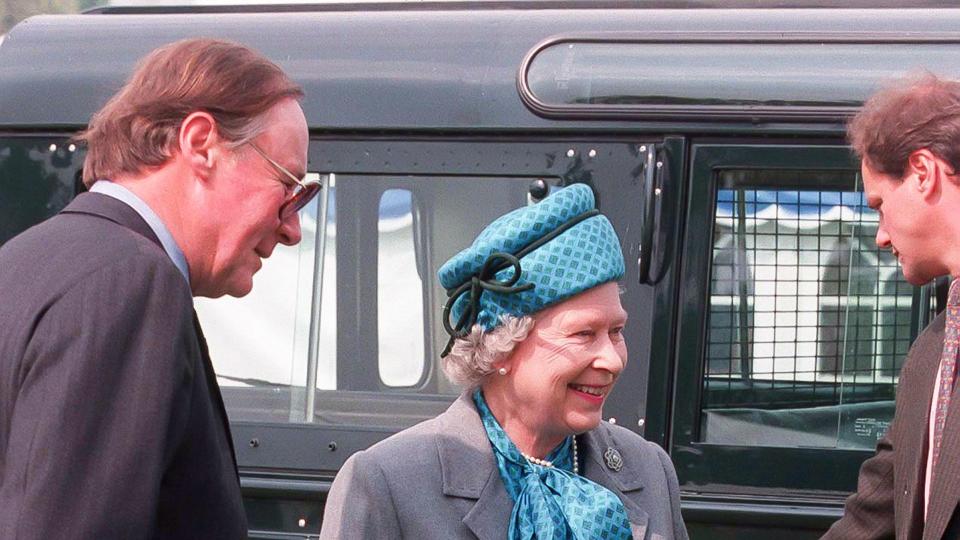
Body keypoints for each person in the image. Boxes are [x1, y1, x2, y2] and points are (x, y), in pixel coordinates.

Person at [0, 39, 317, 538]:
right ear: (200, 144)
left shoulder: (21, 261)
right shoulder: (131, 284)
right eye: (291, 187)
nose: (293, 229)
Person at [320, 183, 688, 539]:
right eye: (583, 334)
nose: (612, 359)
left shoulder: (649, 469)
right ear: (501, 347)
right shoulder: (389, 484)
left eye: (616, 331)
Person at [823, 75, 960, 539]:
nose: (880, 235)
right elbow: (873, 515)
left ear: (923, 172)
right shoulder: (933, 351)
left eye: (880, 204)